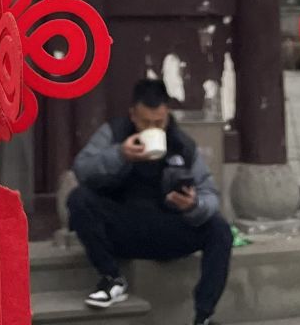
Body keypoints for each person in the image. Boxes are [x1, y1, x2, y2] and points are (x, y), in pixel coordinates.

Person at [68, 77, 233, 319]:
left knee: (219, 229)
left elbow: (210, 194)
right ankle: (112, 278)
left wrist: (194, 205)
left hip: (166, 226)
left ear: (167, 114)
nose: (154, 129)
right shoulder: (114, 133)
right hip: (122, 226)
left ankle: (203, 315)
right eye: (146, 122)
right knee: (79, 199)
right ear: (133, 115)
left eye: (159, 122)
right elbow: (82, 169)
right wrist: (120, 154)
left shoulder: (183, 144)